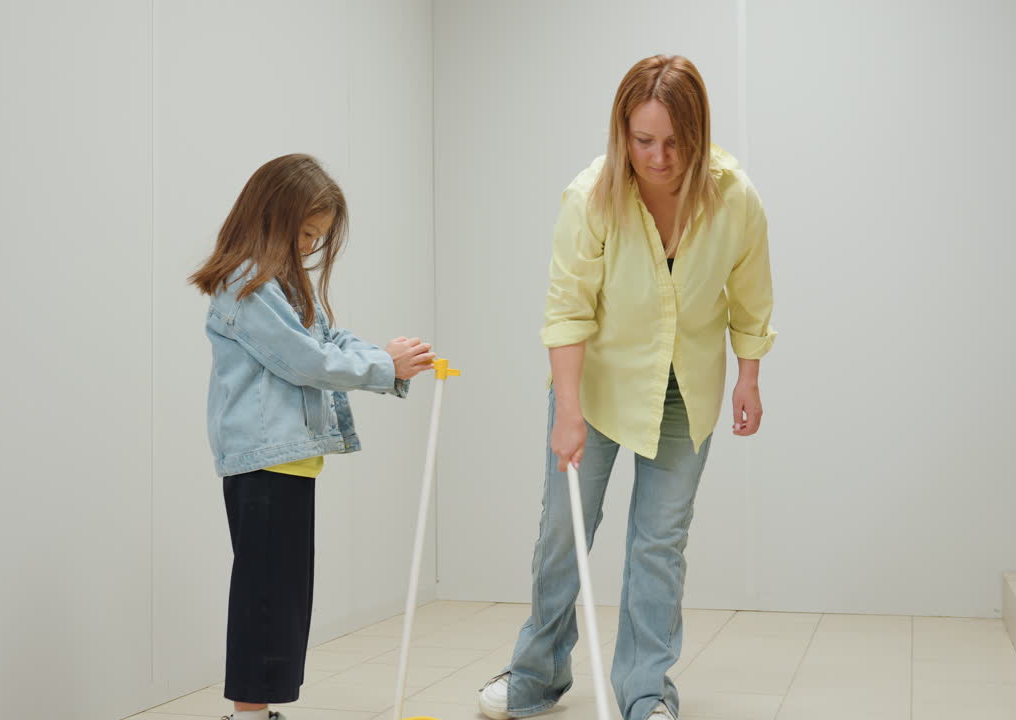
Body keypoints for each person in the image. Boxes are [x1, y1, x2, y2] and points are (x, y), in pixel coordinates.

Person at [477, 55, 776, 720]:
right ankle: (536, 676)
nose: (659, 158)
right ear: (622, 133)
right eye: (644, 141)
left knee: (658, 545)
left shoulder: (735, 198)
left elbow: (751, 295)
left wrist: (749, 377)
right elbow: (567, 311)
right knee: (564, 533)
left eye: (675, 142)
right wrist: (568, 412)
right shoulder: (591, 196)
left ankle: (646, 694)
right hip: (596, 389)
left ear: (698, 135)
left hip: (685, 393)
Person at [189, 154, 436, 720]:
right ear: (270, 217)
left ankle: (257, 710)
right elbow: (305, 361)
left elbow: (329, 339)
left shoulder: (281, 284)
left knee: (283, 596)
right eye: (303, 233)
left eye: (316, 238)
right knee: (264, 595)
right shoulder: (245, 286)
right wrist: (385, 367)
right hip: (264, 463)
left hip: (289, 462)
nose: (308, 247)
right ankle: (248, 714)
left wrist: (387, 357)